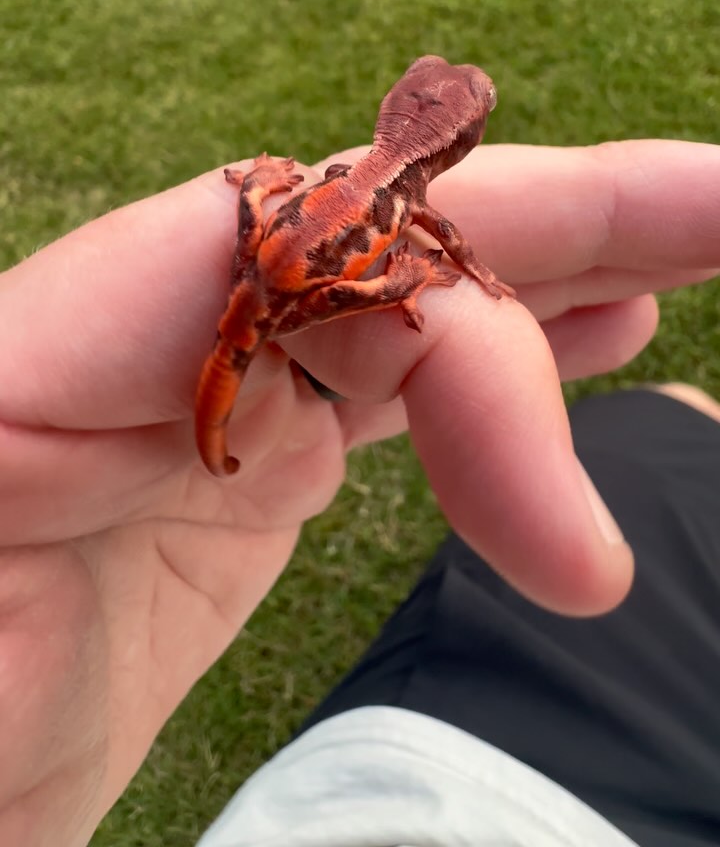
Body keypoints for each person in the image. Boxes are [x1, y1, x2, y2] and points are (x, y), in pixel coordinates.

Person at [0, 138, 718, 847]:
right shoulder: (399, 201)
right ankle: (364, 275)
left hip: (267, 271)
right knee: (365, 291)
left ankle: (262, 201)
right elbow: (445, 244)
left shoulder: (365, 180)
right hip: (285, 289)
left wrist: (260, 193)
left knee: (660, 424)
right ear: (449, 149)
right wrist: (401, 285)